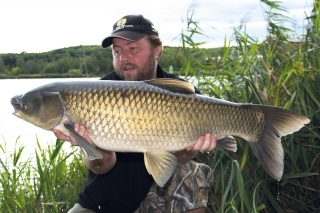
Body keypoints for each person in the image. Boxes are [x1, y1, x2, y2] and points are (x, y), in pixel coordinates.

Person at [54, 15, 217, 213]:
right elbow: (100, 167)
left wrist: (190, 148)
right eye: (117, 51)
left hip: (156, 199)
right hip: (103, 203)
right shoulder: (95, 94)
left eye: (132, 48)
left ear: (156, 50)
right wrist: (93, 145)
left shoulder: (181, 93)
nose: (124, 58)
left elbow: (180, 159)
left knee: (192, 171)